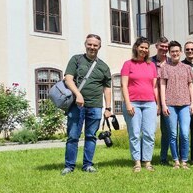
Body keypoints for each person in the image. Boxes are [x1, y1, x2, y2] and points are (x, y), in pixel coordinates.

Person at [61, 34, 112, 175]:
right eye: (90, 44)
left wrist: (108, 108)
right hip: (77, 105)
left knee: (91, 136)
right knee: (73, 136)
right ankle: (69, 166)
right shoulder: (76, 59)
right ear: (85, 44)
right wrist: (78, 94)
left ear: (99, 47)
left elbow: (107, 88)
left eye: (95, 45)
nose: (92, 47)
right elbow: (68, 79)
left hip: (96, 106)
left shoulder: (103, 66)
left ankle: (87, 165)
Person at [121, 37, 158, 172]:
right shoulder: (128, 64)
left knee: (149, 133)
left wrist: (157, 103)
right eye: (141, 47)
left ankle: (147, 162)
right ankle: (137, 162)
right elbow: (123, 85)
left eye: (146, 48)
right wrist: (128, 104)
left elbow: (154, 87)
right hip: (133, 103)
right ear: (136, 47)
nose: (144, 50)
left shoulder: (152, 65)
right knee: (135, 133)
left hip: (149, 103)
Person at [159, 41, 193, 169]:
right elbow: (162, 86)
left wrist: (192, 103)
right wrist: (163, 104)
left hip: (185, 104)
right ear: (169, 53)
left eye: (177, 51)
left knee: (185, 133)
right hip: (170, 105)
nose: (175, 53)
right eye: (172, 51)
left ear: (180, 52)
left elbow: (191, 85)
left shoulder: (187, 68)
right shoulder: (165, 68)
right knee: (173, 134)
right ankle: (176, 161)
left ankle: (184, 160)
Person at [151, 36, 171, 164]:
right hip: (150, 100)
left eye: (166, 47)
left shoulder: (171, 62)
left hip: (168, 101)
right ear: (156, 46)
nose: (164, 49)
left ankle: (163, 157)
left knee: (167, 130)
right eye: (161, 46)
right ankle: (144, 157)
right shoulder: (149, 62)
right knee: (148, 130)